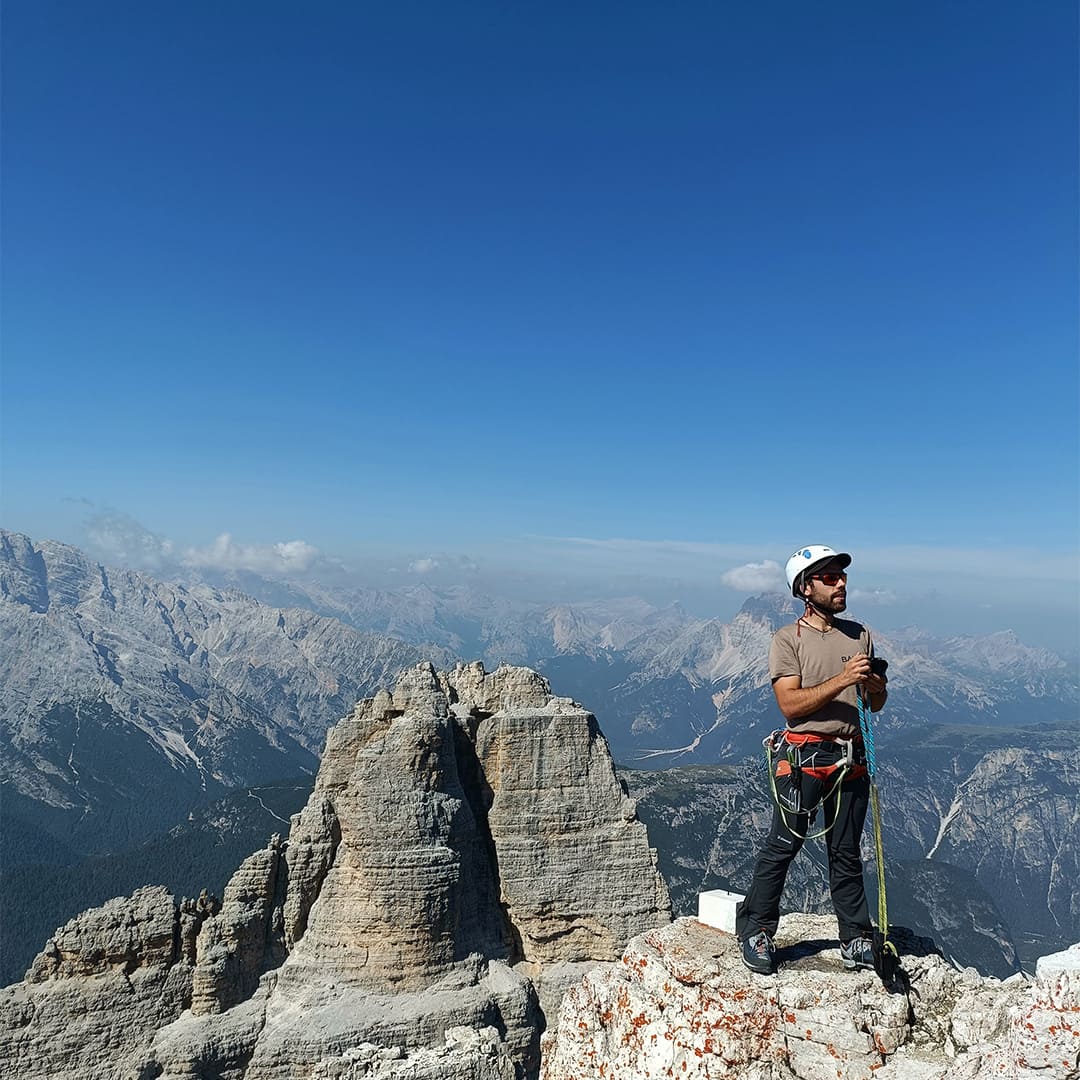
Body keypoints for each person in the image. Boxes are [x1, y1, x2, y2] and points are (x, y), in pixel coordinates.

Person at [735, 545, 888, 975]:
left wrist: (874, 685)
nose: (840, 583)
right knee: (784, 844)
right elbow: (790, 705)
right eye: (829, 577)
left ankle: (855, 936)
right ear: (805, 588)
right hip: (804, 757)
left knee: (845, 850)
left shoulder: (859, 634)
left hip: (849, 755)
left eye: (841, 576)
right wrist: (843, 678)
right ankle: (756, 929)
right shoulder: (787, 640)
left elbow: (874, 704)